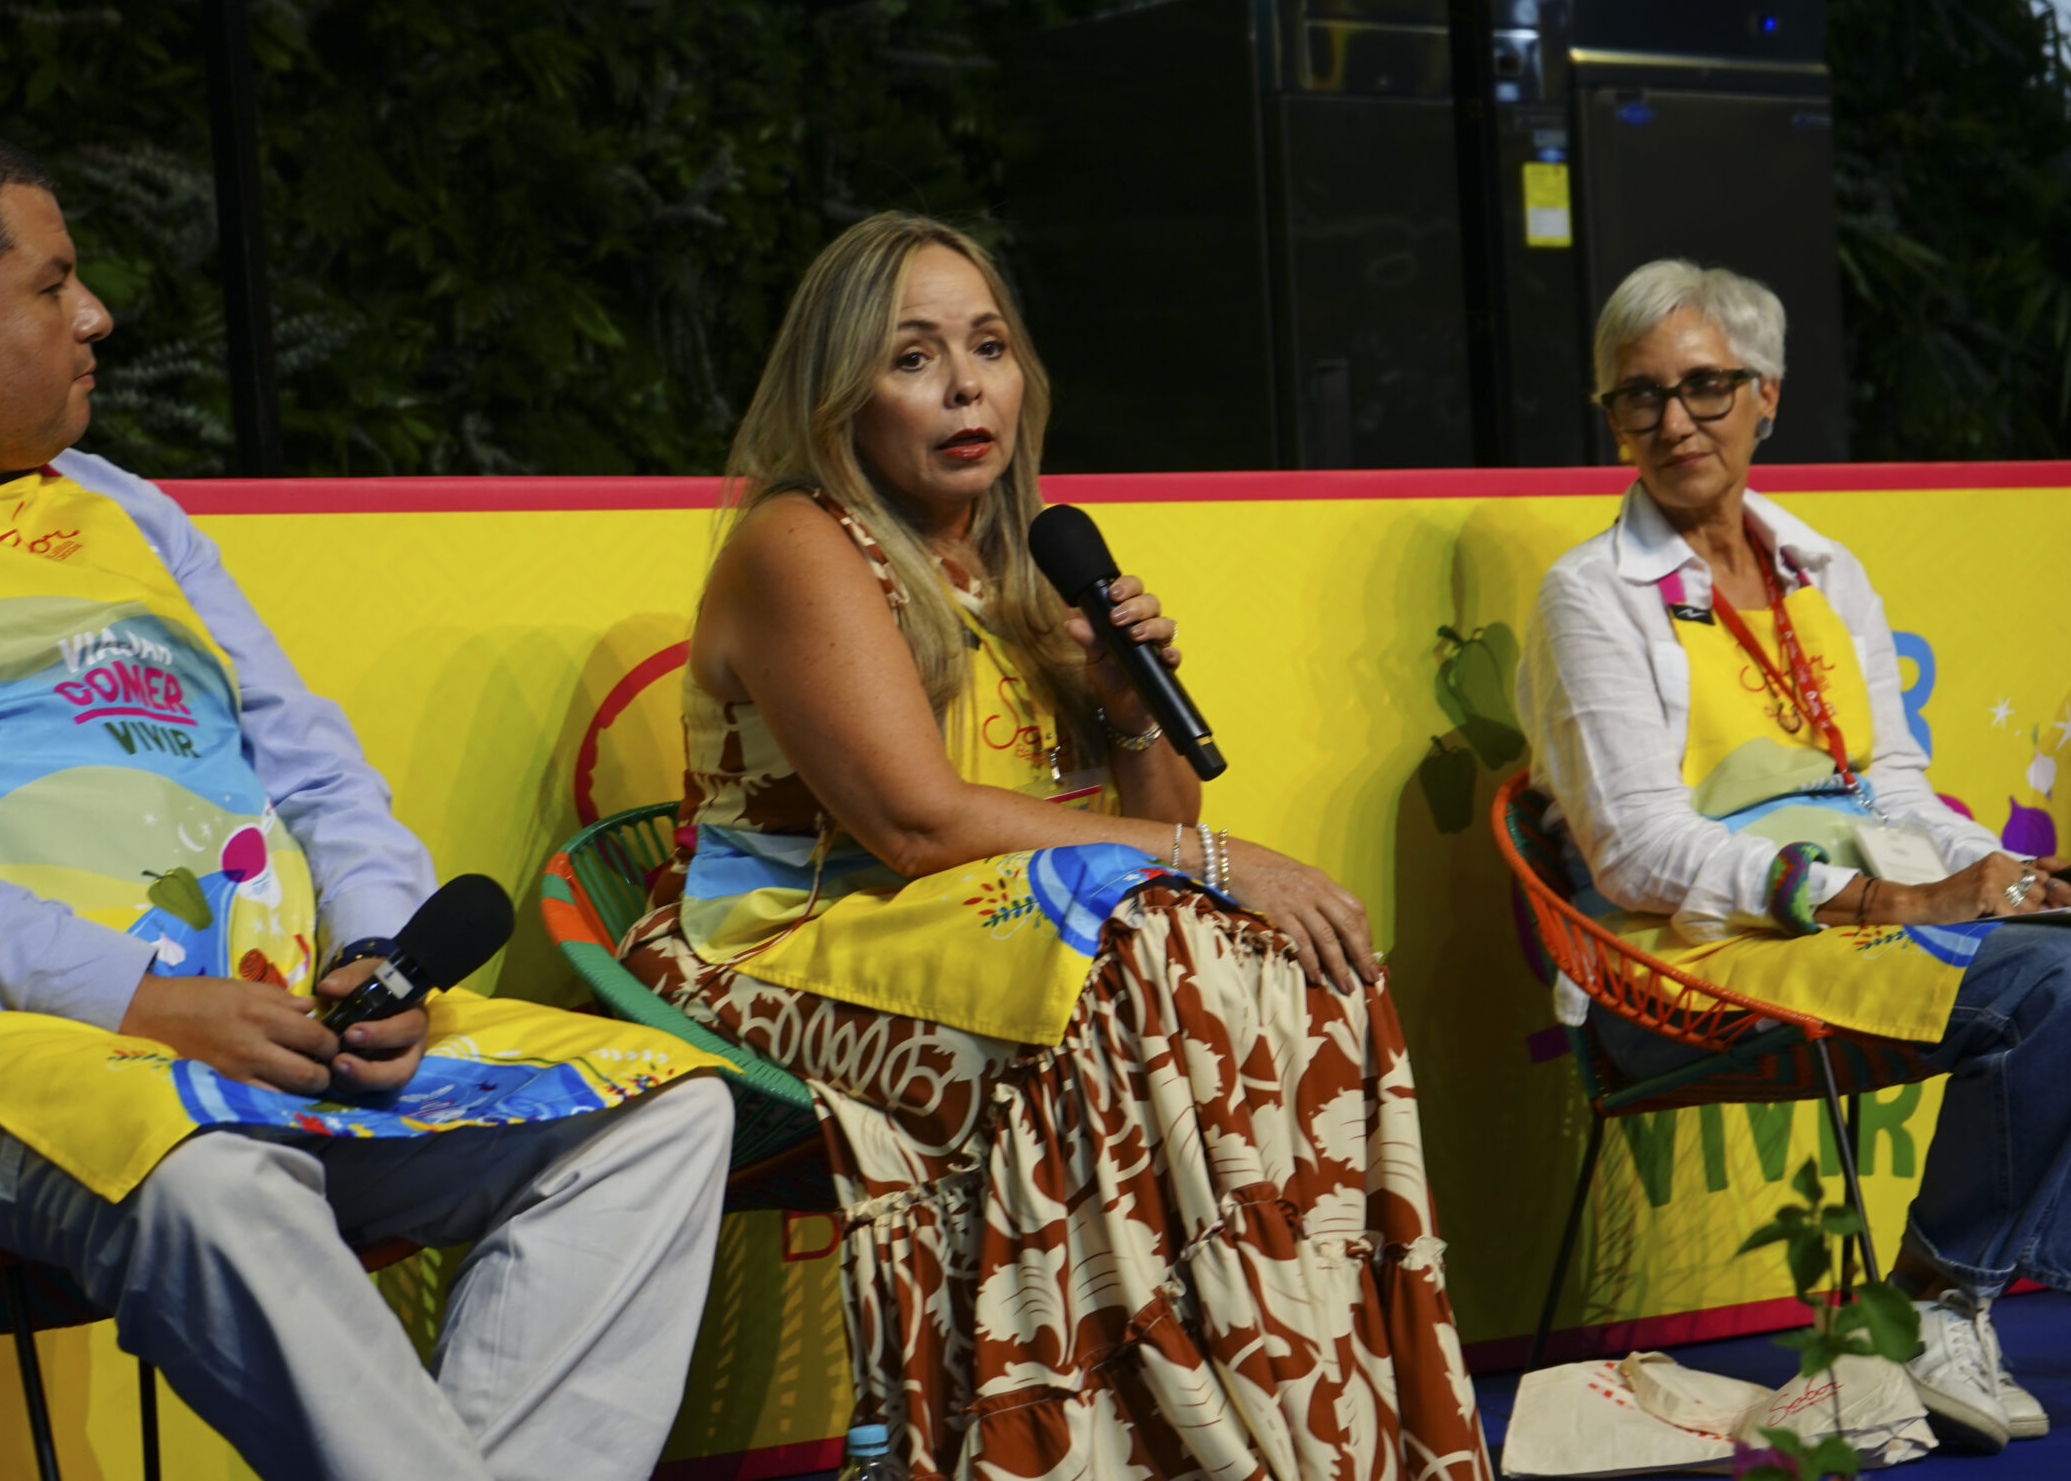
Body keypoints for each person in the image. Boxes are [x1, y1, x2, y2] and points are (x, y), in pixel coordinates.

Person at [0, 123, 735, 1481]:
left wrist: (377, 954)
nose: (95, 315)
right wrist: (140, 1001)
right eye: (52, 283)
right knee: (207, 1171)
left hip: (269, 1041)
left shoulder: (123, 508)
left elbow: (317, 772)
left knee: (657, 1115)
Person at [617, 212, 1490, 1480]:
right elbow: (916, 824)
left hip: (989, 924)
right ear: (838, 391)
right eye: (913, 357)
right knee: (1153, 957)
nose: (965, 387)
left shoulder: (1021, 560)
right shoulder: (799, 544)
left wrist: (1129, 707)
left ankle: (1302, 1381)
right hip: (783, 943)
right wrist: (1218, 864)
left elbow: (1156, 823)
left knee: (1285, 957)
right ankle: (1150, 1429)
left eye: (988, 347)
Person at [1515, 258, 2071, 1454]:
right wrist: (1885, 895)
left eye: (1704, 386)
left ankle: (1969, 1301)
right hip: (1692, 958)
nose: (1673, 422)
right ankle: (1931, 1302)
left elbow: (1892, 788)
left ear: (1764, 395)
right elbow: (1636, 854)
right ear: (1611, 416)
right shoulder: (1590, 595)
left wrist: (2007, 877)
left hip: (1860, 919)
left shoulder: (1823, 571)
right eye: (1638, 396)